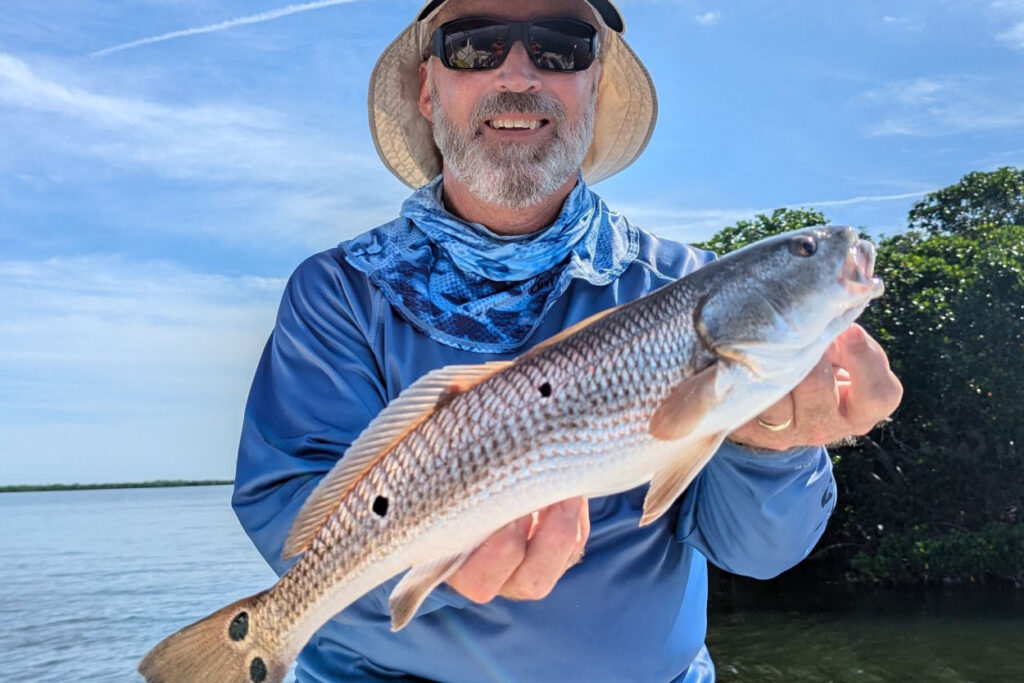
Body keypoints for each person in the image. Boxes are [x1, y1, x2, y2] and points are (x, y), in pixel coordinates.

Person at [232, 0, 903, 680]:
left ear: (594, 85)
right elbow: (285, 507)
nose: (519, 74)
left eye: (561, 46)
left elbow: (760, 551)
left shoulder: (680, 280)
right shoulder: (341, 291)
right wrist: (430, 557)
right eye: (475, 45)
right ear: (427, 88)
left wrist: (774, 443)